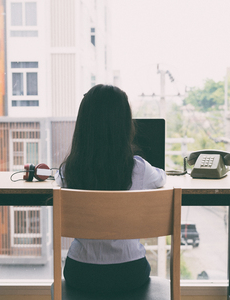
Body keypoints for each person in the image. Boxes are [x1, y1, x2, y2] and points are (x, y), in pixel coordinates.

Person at [54, 84, 166, 294]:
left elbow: (57, 182)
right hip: (129, 272)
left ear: (84, 125)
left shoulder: (68, 171)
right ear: (124, 125)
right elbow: (162, 178)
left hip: (80, 272)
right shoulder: (139, 169)